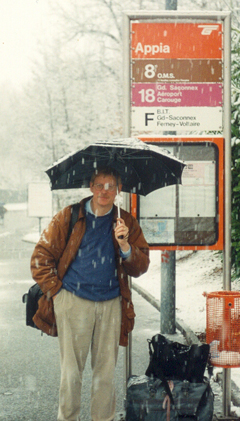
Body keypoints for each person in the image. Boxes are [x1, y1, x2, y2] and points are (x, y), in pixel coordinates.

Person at [30, 167, 150, 421]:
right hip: (74, 301)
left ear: (118, 190)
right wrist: (58, 293)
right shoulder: (69, 217)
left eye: (110, 186)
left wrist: (125, 245)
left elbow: (140, 266)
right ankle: (68, 418)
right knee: (71, 373)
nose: (104, 191)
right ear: (91, 187)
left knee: (105, 374)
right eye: (99, 185)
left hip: (111, 304)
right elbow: (40, 258)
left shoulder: (125, 222)